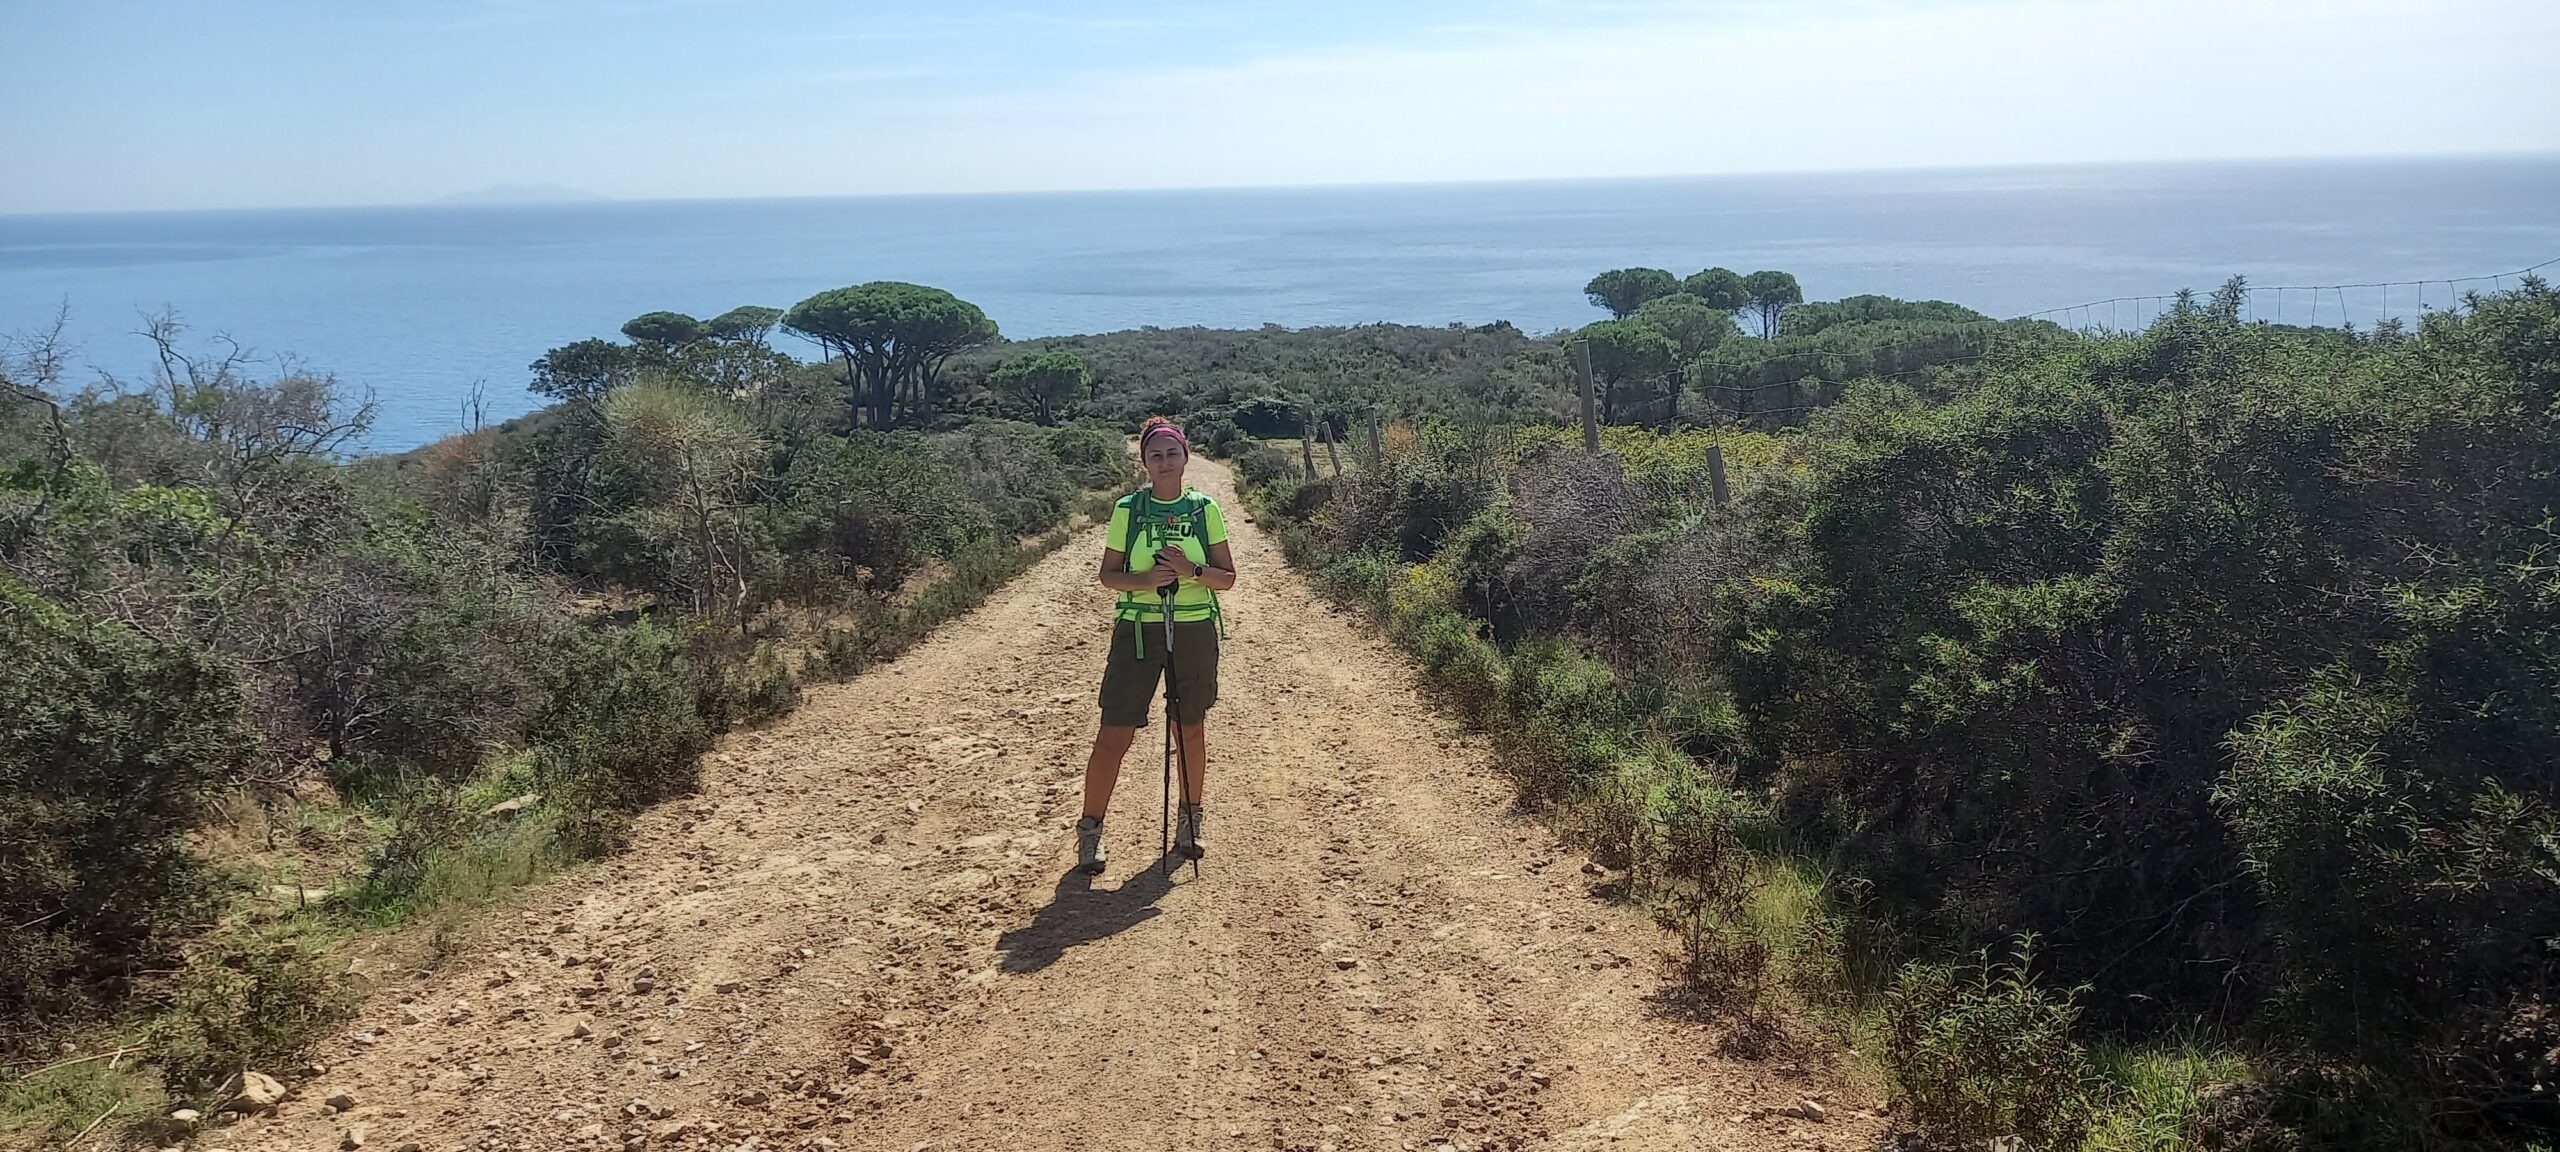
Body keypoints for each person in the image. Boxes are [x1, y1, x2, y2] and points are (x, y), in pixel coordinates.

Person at [1076, 417, 1237, 875]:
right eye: (1155, 455)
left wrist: (1190, 570)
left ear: (1186, 457)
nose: (1164, 462)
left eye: (1172, 453)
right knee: (1115, 733)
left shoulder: (1205, 510)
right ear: (1144, 462)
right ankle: (1091, 832)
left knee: (1189, 728)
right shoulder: (1128, 509)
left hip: (1195, 628)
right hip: (1138, 629)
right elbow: (1109, 575)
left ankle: (1191, 821)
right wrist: (1146, 580)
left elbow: (1227, 578)